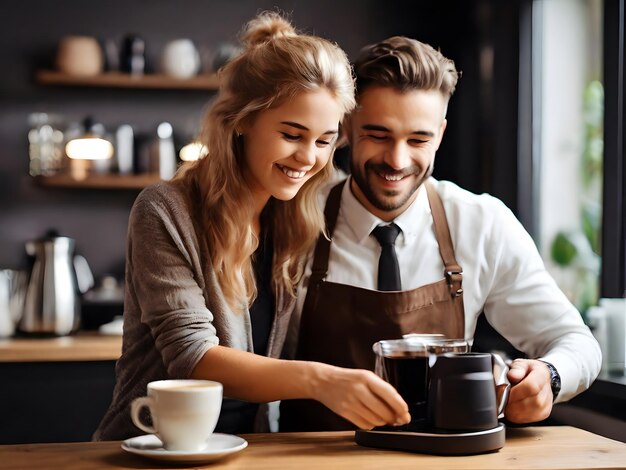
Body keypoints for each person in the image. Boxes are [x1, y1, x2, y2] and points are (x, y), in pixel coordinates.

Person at [94, 12, 411, 441]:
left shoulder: (301, 207)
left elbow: (397, 186)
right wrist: (321, 381)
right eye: (292, 134)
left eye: (323, 141)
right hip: (153, 450)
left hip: (249, 450)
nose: (307, 158)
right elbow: (193, 357)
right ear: (242, 120)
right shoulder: (165, 210)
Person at [280, 35, 602, 431]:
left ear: (441, 134)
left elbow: (576, 342)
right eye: (378, 135)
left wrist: (548, 377)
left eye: (418, 139)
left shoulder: (481, 223)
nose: (397, 161)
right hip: (313, 458)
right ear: (347, 125)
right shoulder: (293, 217)